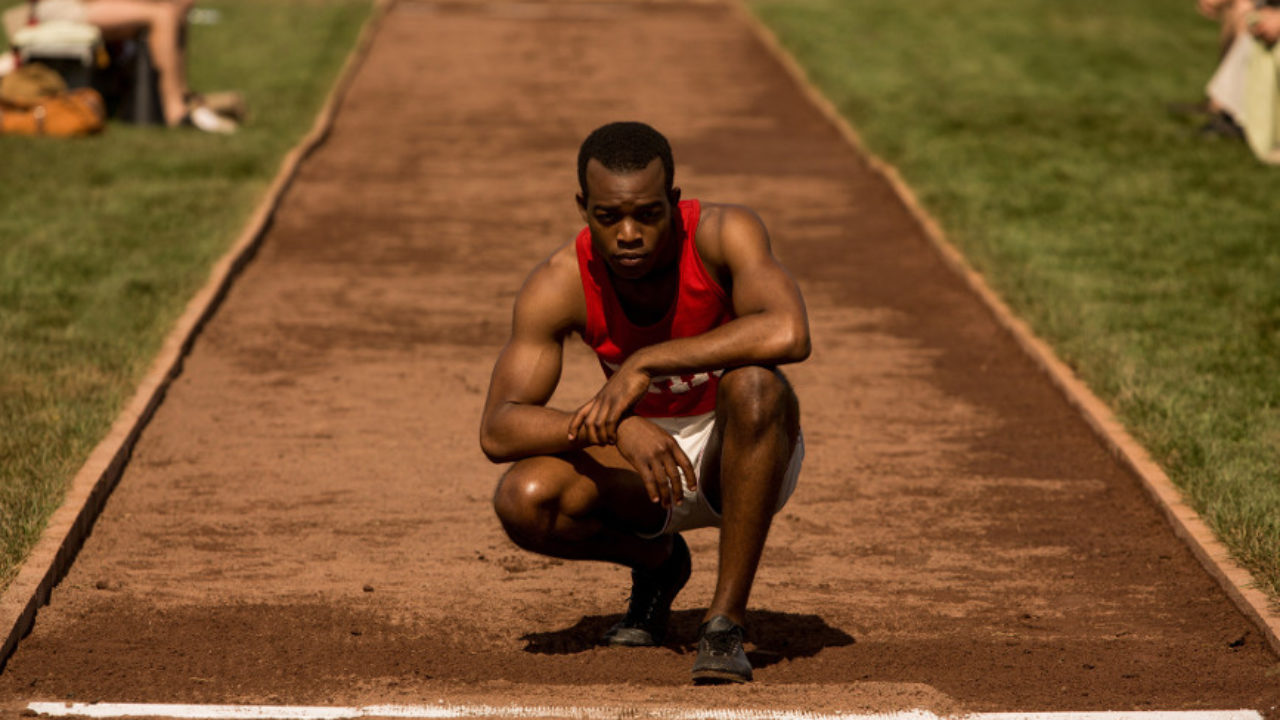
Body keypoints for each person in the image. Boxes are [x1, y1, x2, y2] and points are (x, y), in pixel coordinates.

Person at [478, 121, 810, 684]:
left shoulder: (725, 233)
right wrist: (617, 429)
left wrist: (645, 361)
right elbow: (499, 430)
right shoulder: (560, 281)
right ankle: (659, 565)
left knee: (755, 384)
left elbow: (789, 331)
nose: (628, 233)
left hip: (744, 446)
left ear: (673, 204)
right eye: (609, 217)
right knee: (525, 498)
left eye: (648, 215)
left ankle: (724, 623)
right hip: (641, 466)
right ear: (584, 208)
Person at [13, 0, 237, 132]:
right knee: (162, 15)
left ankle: (183, 96)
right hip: (63, 7)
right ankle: (175, 111)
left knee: (177, 4)